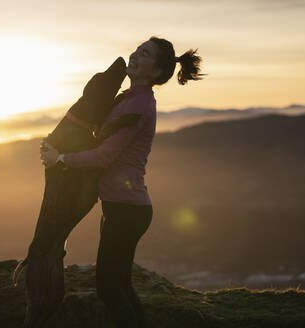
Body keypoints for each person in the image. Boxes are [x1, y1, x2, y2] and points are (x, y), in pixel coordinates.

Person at [40, 36, 204, 328]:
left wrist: (61, 160)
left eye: (144, 54)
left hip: (127, 211)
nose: (135, 55)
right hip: (123, 208)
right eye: (137, 50)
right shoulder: (129, 99)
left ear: (155, 72)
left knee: (108, 287)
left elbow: (105, 156)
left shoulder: (137, 105)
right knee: (121, 284)